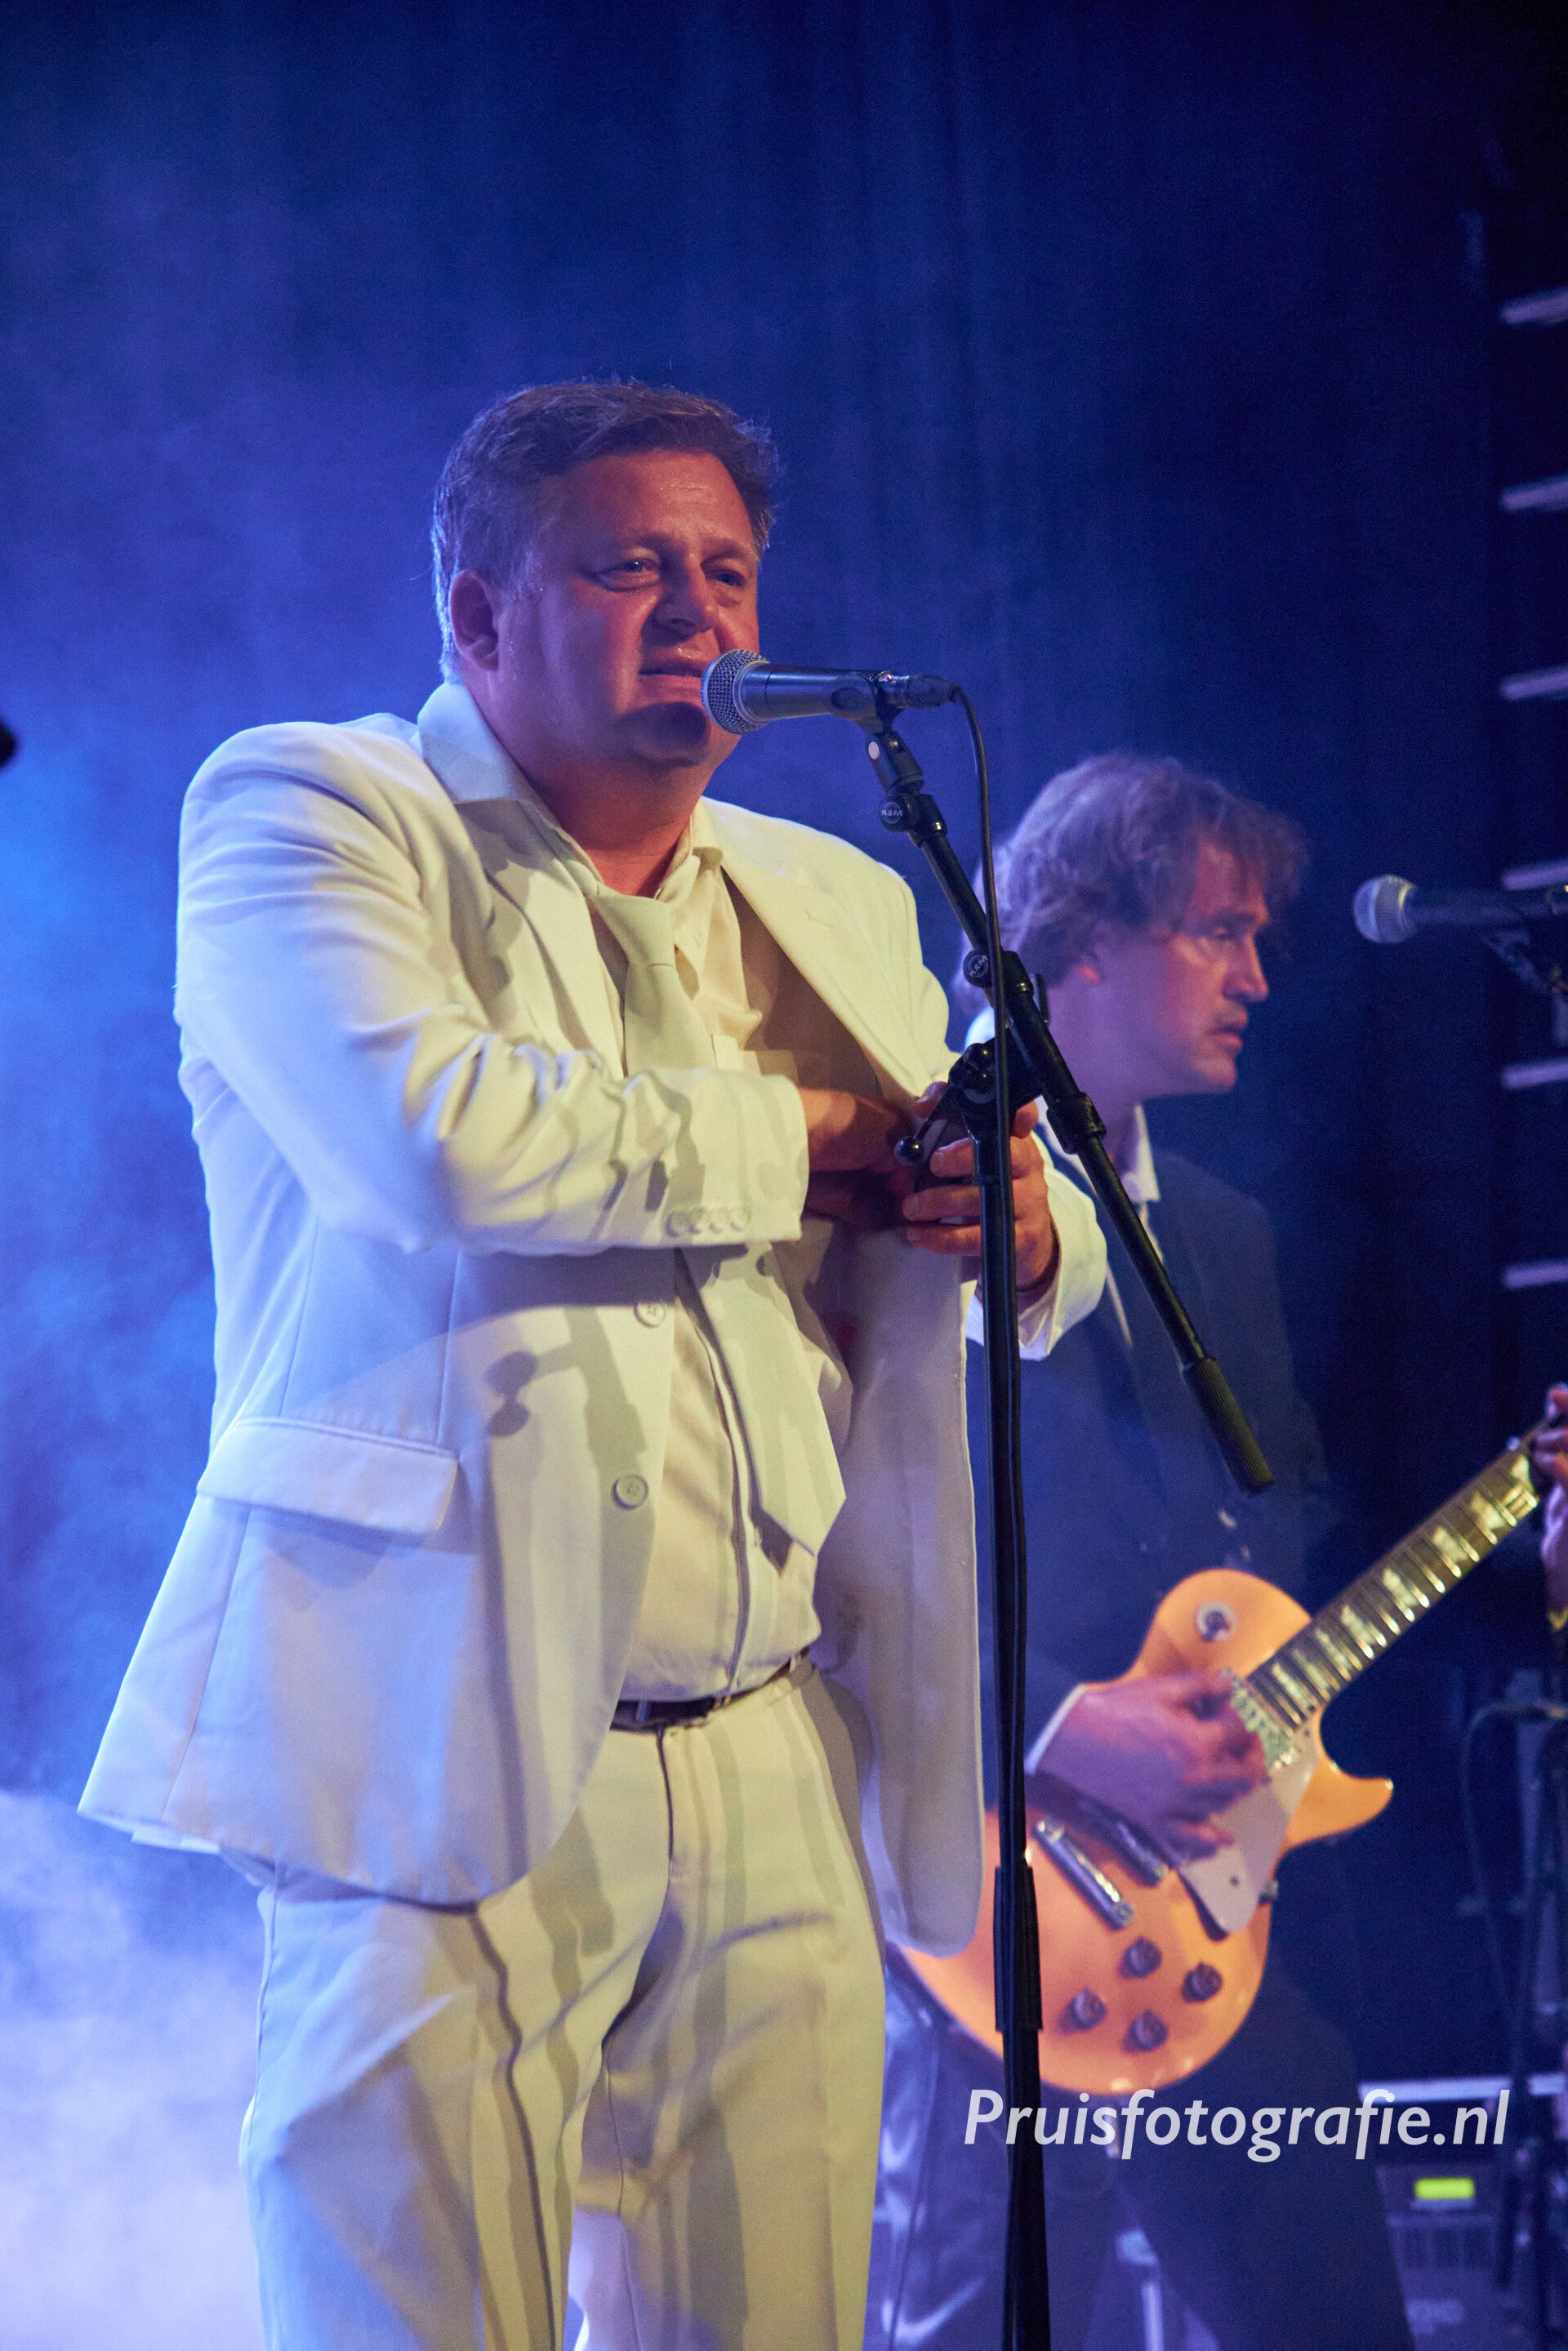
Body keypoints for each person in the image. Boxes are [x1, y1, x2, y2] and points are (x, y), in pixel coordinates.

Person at [78, 381, 1107, 2351]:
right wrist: (811, 1134)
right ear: (478, 617)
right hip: (431, 1720)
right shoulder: (313, 809)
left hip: (779, 1729)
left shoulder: (837, 893)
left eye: (728, 571)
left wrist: (1023, 1226)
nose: (700, 612)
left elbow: (961, 1219)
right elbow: (432, 1141)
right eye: (631, 568)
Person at [869, 754, 1416, 2350]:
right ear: (1085, 942)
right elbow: (838, 1528)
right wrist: (1056, 1719)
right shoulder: (911, 1168)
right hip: (979, 1902)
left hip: (1191, 1917)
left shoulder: (1228, 1232)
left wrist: (1530, 1535)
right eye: (1218, 931)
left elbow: (1285, 1540)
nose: (1257, 976)